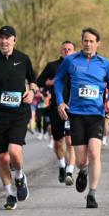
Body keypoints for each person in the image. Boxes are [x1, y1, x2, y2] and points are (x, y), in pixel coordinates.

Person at [54, 28, 109, 208]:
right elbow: (59, 80)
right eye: (85, 41)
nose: (88, 44)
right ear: (81, 42)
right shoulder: (70, 61)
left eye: (91, 41)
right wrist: (60, 102)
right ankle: (82, 171)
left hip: (96, 114)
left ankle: (92, 194)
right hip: (76, 114)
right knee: (81, 160)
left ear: (98, 43)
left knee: (95, 153)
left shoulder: (105, 64)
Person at [0, 25, 37, 210]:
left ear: (14, 40)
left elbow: (33, 79)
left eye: (7, 38)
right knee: (2, 158)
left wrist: (31, 92)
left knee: (14, 151)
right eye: (1, 38)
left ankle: (20, 176)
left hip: (19, 113)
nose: (4, 41)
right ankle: (9, 194)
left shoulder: (23, 59)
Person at [37, 41, 76, 185]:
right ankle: (62, 166)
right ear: (61, 51)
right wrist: (51, 82)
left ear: (74, 51)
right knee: (58, 141)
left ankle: (70, 171)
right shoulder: (52, 66)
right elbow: (39, 81)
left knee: (70, 141)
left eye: (69, 49)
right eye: (64, 49)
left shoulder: (78, 66)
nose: (66, 51)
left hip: (73, 108)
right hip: (56, 108)